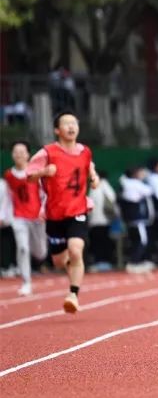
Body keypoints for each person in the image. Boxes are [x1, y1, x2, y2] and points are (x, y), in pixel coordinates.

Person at [26, 111, 100, 313]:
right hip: (55, 213)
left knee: (76, 250)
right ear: (57, 130)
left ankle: (73, 294)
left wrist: (93, 177)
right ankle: (72, 267)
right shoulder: (47, 153)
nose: (71, 127)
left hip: (78, 209)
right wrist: (43, 172)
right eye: (66, 123)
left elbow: (89, 166)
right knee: (60, 261)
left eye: (74, 123)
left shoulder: (85, 151)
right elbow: (29, 175)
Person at [3, 141, 48, 295]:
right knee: (22, 248)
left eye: (22, 152)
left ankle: (40, 257)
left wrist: (44, 210)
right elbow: (7, 198)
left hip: (37, 217)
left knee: (40, 252)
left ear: (28, 154)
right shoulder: (9, 175)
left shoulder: (36, 172)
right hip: (19, 217)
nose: (19, 155)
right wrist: (4, 216)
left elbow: (44, 194)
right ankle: (26, 282)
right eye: (16, 152)